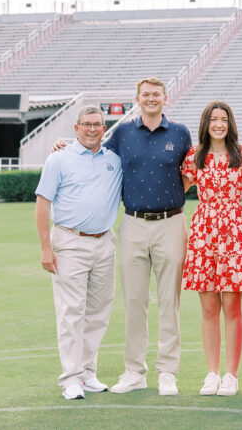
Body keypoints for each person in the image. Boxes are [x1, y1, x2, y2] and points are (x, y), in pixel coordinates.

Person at [54, 78, 193, 395]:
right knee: (134, 301)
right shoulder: (123, 132)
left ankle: (167, 372)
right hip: (132, 223)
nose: (151, 99)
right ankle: (135, 372)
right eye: (146, 95)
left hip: (171, 223)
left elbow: (191, 172)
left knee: (169, 300)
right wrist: (64, 145)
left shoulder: (180, 133)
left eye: (156, 94)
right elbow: (93, 152)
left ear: (165, 98)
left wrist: (168, 199)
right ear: (138, 99)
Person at [34, 106, 123, 400]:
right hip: (70, 241)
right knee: (72, 312)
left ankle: (87, 373)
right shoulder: (59, 158)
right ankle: (71, 377)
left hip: (104, 242)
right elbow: (42, 204)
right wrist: (46, 248)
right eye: (86, 124)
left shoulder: (114, 159)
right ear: (76, 128)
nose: (92, 129)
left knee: (98, 313)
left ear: (104, 127)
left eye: (97, 124)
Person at [181, 101, 242, 397]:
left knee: (232, 307)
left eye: (223, 119)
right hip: (204, 232)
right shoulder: (194, 156)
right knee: (209, 307)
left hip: (235, 233)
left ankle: (231, 374)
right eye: (213, 119)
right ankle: (212, 373)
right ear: (206, 123)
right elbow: (176, 186)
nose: (218, 124)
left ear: (230, 123)